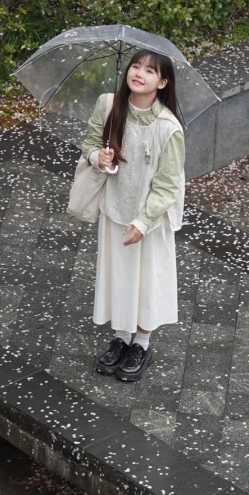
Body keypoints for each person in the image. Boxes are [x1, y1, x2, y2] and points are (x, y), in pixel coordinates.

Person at [80, 49, 186, 382]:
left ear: (162, 82)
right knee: (119, 277)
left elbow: (168, 186)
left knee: (146, 281)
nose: (139, 73)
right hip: (115, 210)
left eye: (150, 71)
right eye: (135, 66)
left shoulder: (169, 129)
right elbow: (88, 144)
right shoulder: (109, 106)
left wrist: (143, 223)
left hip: (148, 221)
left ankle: (141, 343)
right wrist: (101, 156)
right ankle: (122, 338)